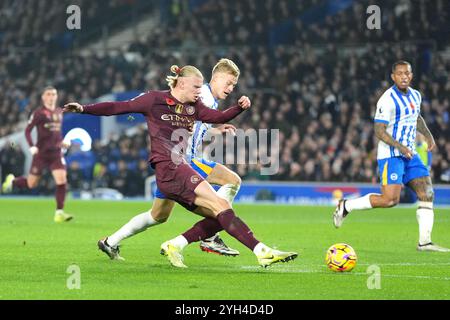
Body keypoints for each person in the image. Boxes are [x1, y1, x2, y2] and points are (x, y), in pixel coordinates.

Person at [64, 65, 298, 268]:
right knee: (221, 204)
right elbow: (119, 107)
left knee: (176, 216)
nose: (200, 92)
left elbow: (217, 117)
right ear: (181, 83)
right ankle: (261, 252)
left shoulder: (194, 106)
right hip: (172, 166)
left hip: (176, 170)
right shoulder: (154, 99)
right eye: (197, 88)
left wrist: (239, 108)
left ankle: (111, 242)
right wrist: (85, 108)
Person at [100, 59, 243, 259]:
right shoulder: (203, 95)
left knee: (158, 216)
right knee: (232, 180)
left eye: (234, 86)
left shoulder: (207, 97)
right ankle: (211, 235)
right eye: (228, 83)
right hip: (185, 161)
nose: (230, 88)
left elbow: (188, 122)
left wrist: (214, 131)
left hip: (172, 162)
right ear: (216, 77)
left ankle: (109, 242)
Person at [333, 61, 449, 252]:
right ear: (393, 76)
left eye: (407, 73)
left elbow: (416, 117)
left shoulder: (416, 95)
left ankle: (425, 242)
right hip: (391, 155)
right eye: (400, 73)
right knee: (390, 200)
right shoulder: (387, 100)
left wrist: (428, 134)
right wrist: (400, 147)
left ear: (411, 75)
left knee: (427, 192)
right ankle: (346, 205)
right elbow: (379, 131)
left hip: (409, 154)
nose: (404, 76)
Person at [2, 86, 73, 223]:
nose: (52, 96)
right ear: (43, 97)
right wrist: (32, 146)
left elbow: (56, 133)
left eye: (54, 94)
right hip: (41, 154)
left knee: (62, 180)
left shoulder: (59, 112)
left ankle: (59, 213)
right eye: (49, 94)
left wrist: (63, 141)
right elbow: (28, 131)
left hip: (56, 154)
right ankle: (12, 181)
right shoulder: (39, 113)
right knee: (31, 183)